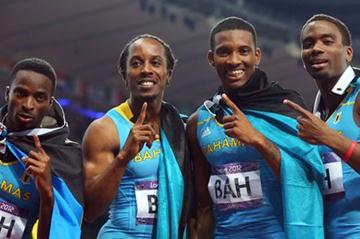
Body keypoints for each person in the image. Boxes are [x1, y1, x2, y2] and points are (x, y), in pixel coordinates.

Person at [187, 17, 325, 239]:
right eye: (224, 52)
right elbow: (203, 207)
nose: (234, 61)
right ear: (211, 58)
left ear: (256, 56)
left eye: (243, 51)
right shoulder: (200, 121)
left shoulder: (285, 107)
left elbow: (309, 177)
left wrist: (258, 140)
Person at [82, 34, 192, 239]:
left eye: (155, 63)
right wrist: (123, 157)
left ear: (168, 73)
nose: (146, 70)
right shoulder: (105, 129)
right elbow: (90, 210)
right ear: (125, 75)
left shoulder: (182, 129)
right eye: (136, 63)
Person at [284, 14, 360, 238]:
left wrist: (329, 137)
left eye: (327, 41)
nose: (316, 49)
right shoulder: (318, 109)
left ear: (348, 52)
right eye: (308, 44)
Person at [0, 57, 83, 239]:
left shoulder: (62, 158)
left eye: (39, 97)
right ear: (8, 93)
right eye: (21, 93)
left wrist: (47, 195)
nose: (28, 105)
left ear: (49, 104)